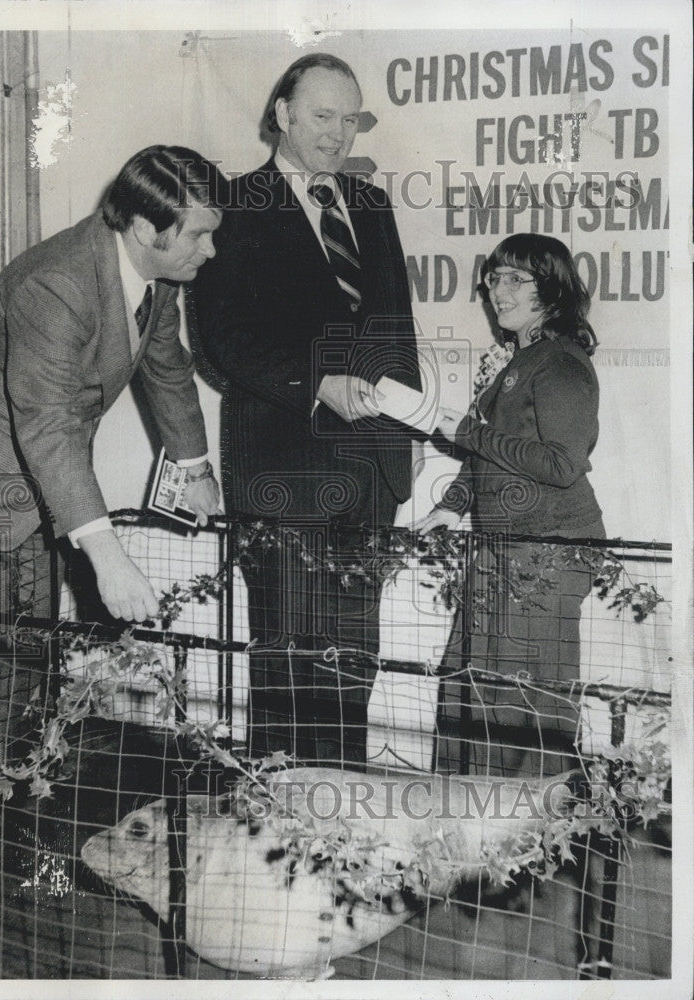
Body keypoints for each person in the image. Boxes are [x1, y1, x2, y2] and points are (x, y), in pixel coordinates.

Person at [0, 145, 227, 770]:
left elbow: (167, 369)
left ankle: (2, 820)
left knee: (28, 676)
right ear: (146, 228)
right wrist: (108, 558)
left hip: (38, 497)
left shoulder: (156, 278)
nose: (211, 251)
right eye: (198, 236)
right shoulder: (55, 284)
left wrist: (195, 469)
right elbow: (51, 426)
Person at [193, 54, 420, 767]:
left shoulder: (373, 205)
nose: (337, 133)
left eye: (349, 118)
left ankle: (340, 836)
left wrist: (401, 447)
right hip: (283, 475)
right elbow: (223, 343)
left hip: (369, 478)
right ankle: (278, 844)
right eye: (322, 115)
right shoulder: (233, 204)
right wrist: (318, 382)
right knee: (290, 667)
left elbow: (396, 330)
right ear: (282, 114)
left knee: (354, 665)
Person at [420, 233, 605, 778]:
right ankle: (466, 838)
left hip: (548, 553)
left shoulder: (562, 363)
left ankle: (526, 847)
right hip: (503, 548)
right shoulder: (517, 358)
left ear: (551, 288)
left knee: (523, 702)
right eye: (493, 278)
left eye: (515, 279)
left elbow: (561, 464)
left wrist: (471, 434)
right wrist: (451, 506)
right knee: (469, 683)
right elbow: (488, 458)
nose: (497, 290)